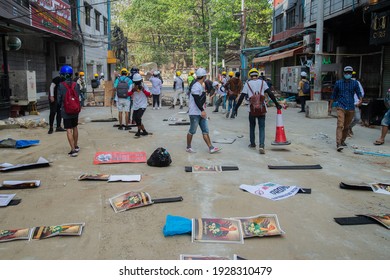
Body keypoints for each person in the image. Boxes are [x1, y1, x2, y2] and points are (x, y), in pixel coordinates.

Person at [242, 68, 282, 154]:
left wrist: (235, 108)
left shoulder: (247, 84)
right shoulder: (263, 83)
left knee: (252, 126)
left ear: (250, 75)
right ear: (257, 75)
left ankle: (252, 144)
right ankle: (261, 145)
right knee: (262, 127)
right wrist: (276, 104)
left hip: (251, 109)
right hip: (261, 108)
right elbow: (270, 93)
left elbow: (242, 96)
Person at [186, 68, 221, 154]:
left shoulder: (199, 85)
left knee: (205, 130)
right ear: (204, 76)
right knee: (192, 131)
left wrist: (202, 110)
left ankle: (211, 147)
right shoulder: (195, 86)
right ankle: (188, 147)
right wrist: (202, 110)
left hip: (201, 112)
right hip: (195, 113)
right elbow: (196, 99)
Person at [328, 66, 362, 152]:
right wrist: (330, 106)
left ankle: (342, 141)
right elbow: (333, 95)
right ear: (343, 73)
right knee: (340, 125)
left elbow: (358, 92)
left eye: (349, 73)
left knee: (346, 126)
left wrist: (360, 100)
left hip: (351, 107)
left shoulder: (355, 83)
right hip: (341, 106)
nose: (348, 74)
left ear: (351, 73)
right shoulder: (338, 83)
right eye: (346, 73)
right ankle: (338, 143)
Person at [57, 65, 81, 157]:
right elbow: (78, 96)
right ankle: (76, 145)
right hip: (75, 109)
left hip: (66, 110)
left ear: (63, 75)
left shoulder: (60, 85)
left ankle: (73, 150)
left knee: (68, 130)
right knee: (75, 127)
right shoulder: (76, 85)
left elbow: (59, 100)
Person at [128, 73, 151, 137]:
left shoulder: (144, 85)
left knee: (138, 117)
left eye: (138, 82)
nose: (137, 84)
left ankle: (138, 131)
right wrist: (133, 90)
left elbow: (149, 94)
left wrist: (143, 90)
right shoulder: (132, 86)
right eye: (136, 82)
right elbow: (128, 94)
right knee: (135, 119)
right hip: (135, 105)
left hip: (143, 104)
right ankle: (144, 131)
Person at [348, 71, 365, 137]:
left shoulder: (357, 83)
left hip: (355, 104)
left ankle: (349, 127)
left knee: (357, 118)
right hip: (347, 104)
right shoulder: (343, 83)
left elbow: (361, 93)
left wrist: (359, 101)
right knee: (349, 118)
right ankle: (346, 131)